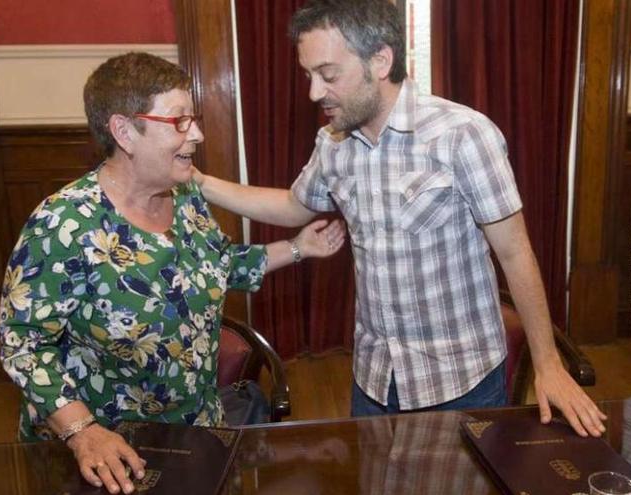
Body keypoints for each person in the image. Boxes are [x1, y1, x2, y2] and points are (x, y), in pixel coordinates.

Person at [196, 0, 605, 437]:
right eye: (308, 75)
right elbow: (294, 206)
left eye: (329, 75)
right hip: (373, 379)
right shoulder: (333, 143)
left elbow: (515, 251)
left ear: (380, 60)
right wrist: (200, 182)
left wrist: (548, 364)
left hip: (461, 380)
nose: (315, 92)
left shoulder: (463, 135)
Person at [0, 52, 345, 494]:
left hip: (195, 438)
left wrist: (299, 247)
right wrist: (81, 431)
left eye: (193, 119)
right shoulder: (62, 225)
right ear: (124, 131)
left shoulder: (184, 198)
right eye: (179, 121)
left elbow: (218, 265)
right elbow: (22, 343)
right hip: (106, 459)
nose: (196, 134)